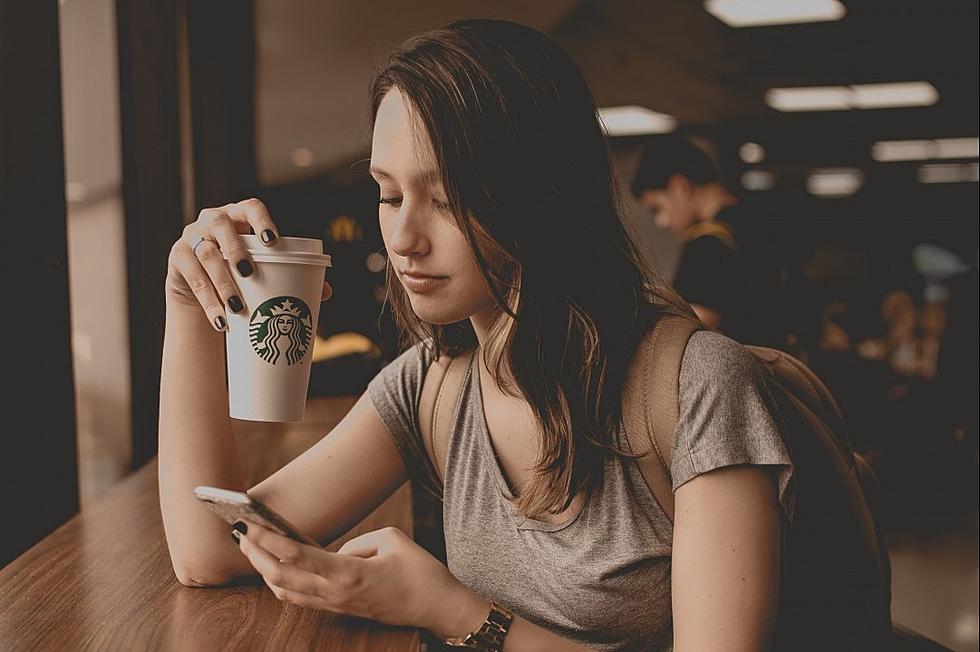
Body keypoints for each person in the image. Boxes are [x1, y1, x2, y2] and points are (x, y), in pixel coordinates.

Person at [160, 20, 801, 651]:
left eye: (446, 199)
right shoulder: (433, 384)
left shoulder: (697, 385)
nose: (404, 240)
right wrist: (188, 305)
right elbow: (210, 550)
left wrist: (452, 611)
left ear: (542, 197)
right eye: (388, 196)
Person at [630, 135, 787, 349]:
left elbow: (688, 334)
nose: (661, 222)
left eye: (657, 208)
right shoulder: (760, 222)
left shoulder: (706, 246)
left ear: (679, 187)